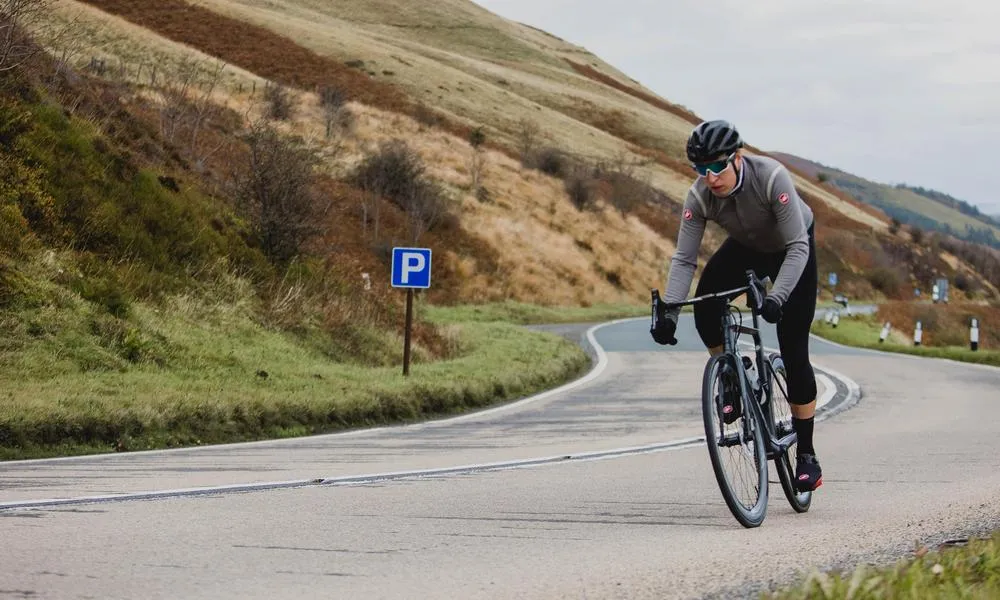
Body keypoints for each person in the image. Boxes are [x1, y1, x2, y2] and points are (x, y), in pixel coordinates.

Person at [650, 119, 822, 492]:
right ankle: (730, 375)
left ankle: (806, 453)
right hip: (748, 248)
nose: (710, 177)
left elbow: (798, 247)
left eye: (717, 166)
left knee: (793, 348)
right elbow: (684, 260)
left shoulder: (771, 177)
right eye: (701, 169)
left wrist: (777, 297)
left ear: (738, 157)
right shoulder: (699, 197)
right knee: (707, 304)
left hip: (793, 249)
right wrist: (670, 310)